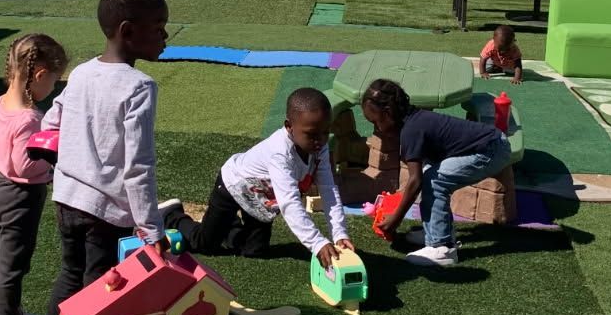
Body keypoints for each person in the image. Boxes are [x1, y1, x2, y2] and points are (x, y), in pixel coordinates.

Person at [34, 0, 170, 315]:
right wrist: (151, 229)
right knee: (97, 297)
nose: (165, 36)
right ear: (128, 31)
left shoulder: (82, 73)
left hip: (67, 199)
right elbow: (137, 166)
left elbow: (49, 123)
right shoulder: (138, 87)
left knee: (70, 279)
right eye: (159, 27)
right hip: (104, 212)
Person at [164, 89, 352, 270]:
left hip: (259, 199)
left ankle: (228, 224)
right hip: (232, 186)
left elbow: (329, 189)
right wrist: (317, 243)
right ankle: (172, 216)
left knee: (254, 251)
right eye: (311, 134)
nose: (320, 140)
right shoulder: (280, 154)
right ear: (289, 127)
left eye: (325, 132)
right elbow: (289, 203)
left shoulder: (320, 148)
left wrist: (339, 233)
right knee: (204, 244)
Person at [362, 78, 512, 267]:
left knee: (434, 180)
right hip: (490, 144)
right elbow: (418, 175)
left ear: (389, 112)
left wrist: (396, 218)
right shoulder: (412, 121)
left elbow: (415, 181)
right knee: (429, 173)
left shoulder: (411, 130)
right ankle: (436, 230)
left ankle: (443, 247)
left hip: (492, 148)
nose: (376, 128)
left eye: (376, 121)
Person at [0, 32, 69, 315]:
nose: (53, 90)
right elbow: (23, 164)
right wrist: (49, 162)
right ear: (40, 75)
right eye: (54, 83)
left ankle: (12, 314)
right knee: (12, 266)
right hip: (19, 197)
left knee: (4, 261)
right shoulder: (30, 118)